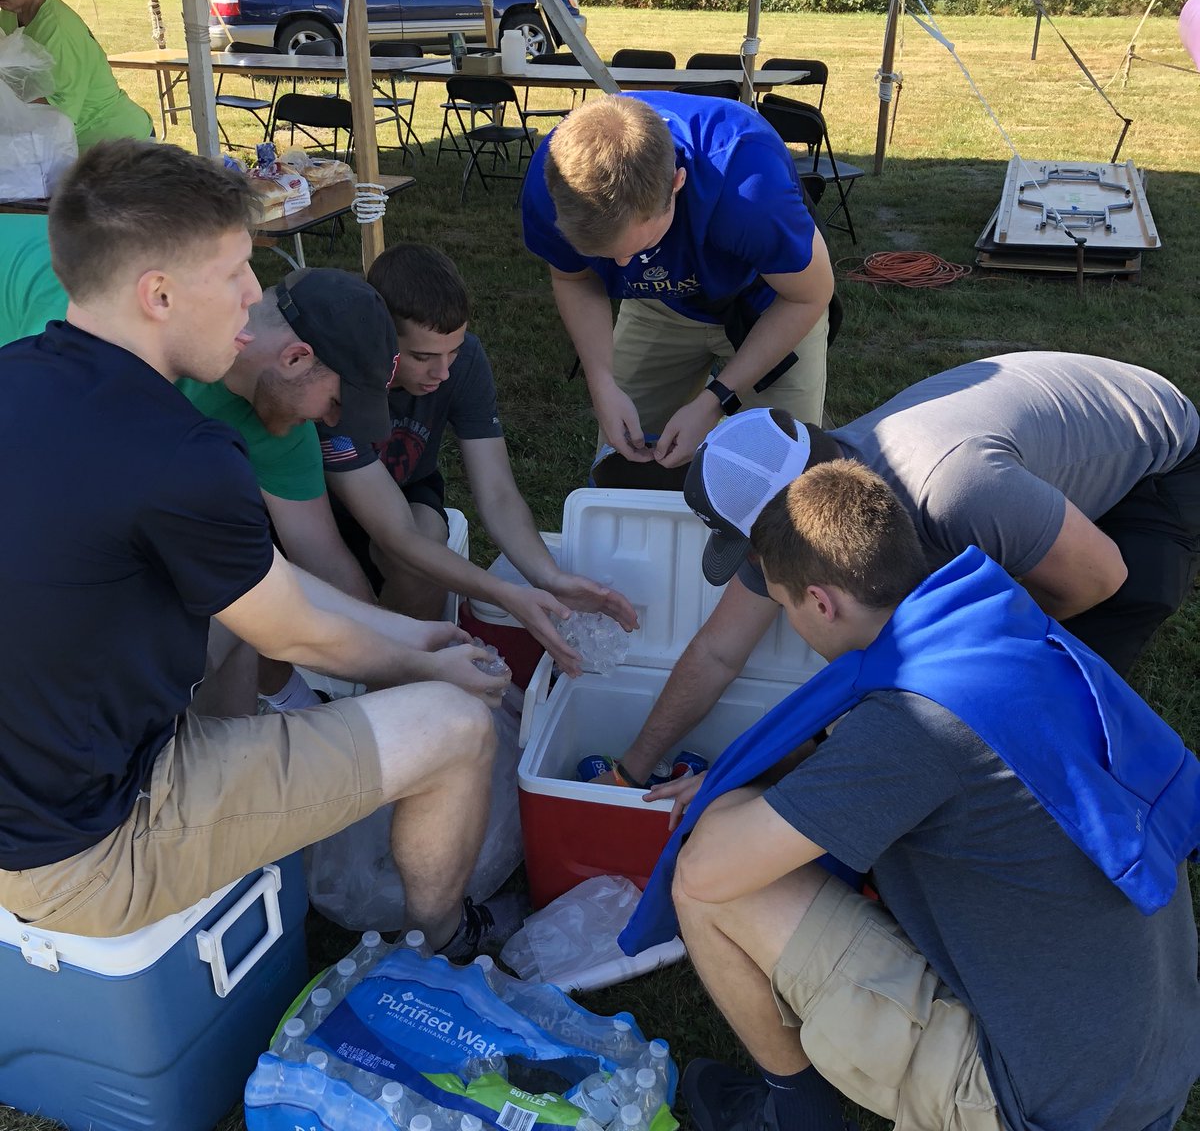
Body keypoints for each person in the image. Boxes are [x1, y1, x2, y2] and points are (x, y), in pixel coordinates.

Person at [0, 139, 512, 955]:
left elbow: (268, 593)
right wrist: (432, 663)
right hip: (84, 847)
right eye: (235, 272)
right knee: (456, 728)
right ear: (158, 295)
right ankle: (447, 940)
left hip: (37, 777)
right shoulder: (181, 452)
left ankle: (235, 834)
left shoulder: (19, 369)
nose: (252, 296)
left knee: (230, 618)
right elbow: (297, 631)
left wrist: (420, 637)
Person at [636, 460, 1200, 1131]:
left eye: (785, 608)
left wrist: (728, 793)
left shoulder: (912, 728)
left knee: (709, 885)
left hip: (1045, 1106)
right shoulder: (991, 620)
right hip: (1150, 1061)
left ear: (820, 602)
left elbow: (712, 869)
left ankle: (795, 1116)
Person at [602, 354, 1200, 786]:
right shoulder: (809, 482)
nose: (758, 569)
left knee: (1044, 694)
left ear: (795, 521)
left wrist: (973, 650)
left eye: (756, 550)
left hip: (1156, 460)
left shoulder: (955, 492)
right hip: (1031, 465)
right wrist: (631, 770)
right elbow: (717, 652)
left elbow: (1099, 579)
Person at [317, 242, 639, 673]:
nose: (443, 372)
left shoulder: (464, 360)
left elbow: (498, 492)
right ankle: (380, 670)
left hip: (406, 487)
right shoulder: (339, 378)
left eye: (452, 351)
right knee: (369, 581)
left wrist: (549, 578)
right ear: (381, 338)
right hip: (322, 506)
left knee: (427, 547)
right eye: (422, 357)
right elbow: (396, 535)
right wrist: (505, 594)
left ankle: (401, 682)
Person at [520, 92, 835, 468]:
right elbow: (574, 279)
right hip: (660, 303)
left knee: (782, 471)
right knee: (625, 459)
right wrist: (601, 382)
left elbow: (808, 296)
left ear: (676, 183)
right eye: (602, 255)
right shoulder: (554, 184)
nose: (623, 265)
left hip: (770, 303)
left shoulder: (747, 184)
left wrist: (716, 399)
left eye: (643, 246)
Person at [0, 0, 153, 149]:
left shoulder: (59, 30)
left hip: (119, 144)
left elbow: (58, 110)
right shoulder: (10, 13)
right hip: (81, 144)